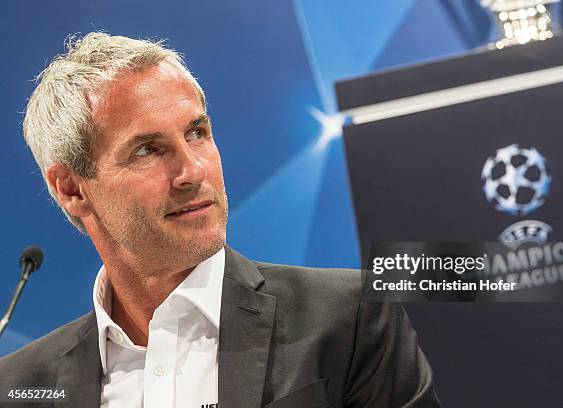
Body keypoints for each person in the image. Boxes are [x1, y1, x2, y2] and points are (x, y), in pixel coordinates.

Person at [0, 32, 441, 408]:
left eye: (197, 133)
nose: (192, 171)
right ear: (71, 189)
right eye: (147, 150)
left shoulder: (346, 320)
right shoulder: (17, 386)